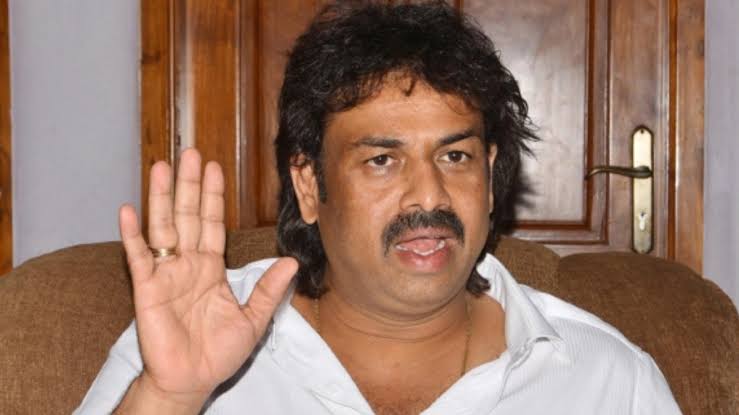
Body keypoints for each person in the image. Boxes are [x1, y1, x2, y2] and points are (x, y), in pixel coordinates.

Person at [75, 1, 681, 414]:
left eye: (456, 156)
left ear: (491, 175)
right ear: (308, 185)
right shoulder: (195, 334)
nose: (429, 196)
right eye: (382, 160)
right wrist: (169, 398)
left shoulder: (605, 379)